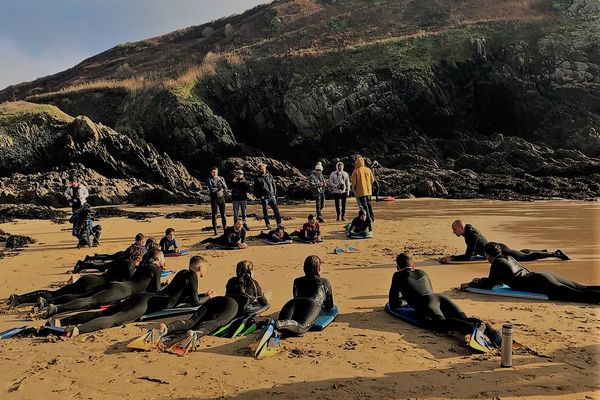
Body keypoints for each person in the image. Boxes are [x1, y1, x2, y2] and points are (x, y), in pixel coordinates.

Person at [58, 256, 213, 337]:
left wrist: (203, 294)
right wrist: (207, 297)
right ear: (199, 267)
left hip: (145, 296)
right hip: (147, 304)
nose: (206, 271)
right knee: (116, 318)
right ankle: (79, 330)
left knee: (106, 312)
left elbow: (181, 297)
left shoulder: (182, 273)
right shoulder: (193, 276)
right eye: (205, 268)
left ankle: (61, 321)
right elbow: (194, 302)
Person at [389, 253, 501, 346]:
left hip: (426, 302)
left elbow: (393, 302)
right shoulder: (423, 272)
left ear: (398, 268)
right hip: (439, 298)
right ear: (413, 266)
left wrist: (405, 301)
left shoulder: (398, 275)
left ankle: (473, 328)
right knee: (462, 318)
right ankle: (487, 328)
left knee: (440, 323)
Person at [38, 249, 165, 318]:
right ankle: (57, 308)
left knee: (87, 298)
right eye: (163, 258)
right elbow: (156, 292)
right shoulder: (156, 269)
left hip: (117, 286)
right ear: (158, 258)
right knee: (91, 301)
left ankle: (51, 303)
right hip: (122, 291)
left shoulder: (143, 266)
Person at [460, 243, 600, 304]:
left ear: (487, 255)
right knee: (583, 288)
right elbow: (499, 280)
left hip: (539, 283)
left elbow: (491, 284)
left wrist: (471, 283)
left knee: (578, 296)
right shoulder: (508, 258)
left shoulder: (497, 263)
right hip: (542, 275)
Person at [258, 255, 333, 346]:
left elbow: (295, 296)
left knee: (286, 327)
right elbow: (329, 305)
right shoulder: (324, 282)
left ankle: (277, 336)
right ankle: (274, 323)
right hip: (311, 304)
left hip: (292, 304)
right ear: (318, 268)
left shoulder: (297, 281)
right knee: (301, 328)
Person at [5, 259, 136, 308]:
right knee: (59, 296)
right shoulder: (130, 268)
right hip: (94, 286)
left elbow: (101, 266)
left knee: (55, 292)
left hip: (91, 278)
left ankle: (20, 298)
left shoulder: (122, 261)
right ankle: (31, 301)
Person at [439, 220, 570, 263]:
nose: (453, 232)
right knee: (521, 253)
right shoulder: (467, 230)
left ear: (461, 228)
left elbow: (468, 256)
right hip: (497, 247)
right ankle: (542, 251)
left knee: (526, 258)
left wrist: (451, 257)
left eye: (454, 229)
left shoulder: (471, 235)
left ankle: (555, 254)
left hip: (500, 251)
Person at [73, 233, 145, 273]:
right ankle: (82, 263)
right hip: (120, 259)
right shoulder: (137, 248)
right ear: (138, 241)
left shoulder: (135, 246)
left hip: (121, 258)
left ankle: (89, 260)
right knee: (102, 266)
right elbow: (129, 256)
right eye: (142, 241)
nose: (143, 243)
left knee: (105, 262)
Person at [254, 162, 282, 229]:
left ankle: (279, 224)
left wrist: (274, 194)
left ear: (265, 168)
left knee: (276, 210)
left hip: (272, 197)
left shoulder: (270, 175)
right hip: (264, 198)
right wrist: (260, 196)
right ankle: (268, 225)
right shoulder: (257, 178)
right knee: (265, 212)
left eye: (263, 169)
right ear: (259, 170)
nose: (262, 170)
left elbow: (273, 185)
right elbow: (255, 189)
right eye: (260, 169)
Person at [351, 156, 375, 221]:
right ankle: (372, 216)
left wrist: (354, 190)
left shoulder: (355, 171)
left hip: (361, 191)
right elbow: (372, 180)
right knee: (369, 204)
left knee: (364, 205)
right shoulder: (368, 170)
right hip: (368, 190)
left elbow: (353, 183)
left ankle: (368, 217)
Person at [207, 167, 228, 235]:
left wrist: (220, 181)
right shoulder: (209, 179)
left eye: (215, 172)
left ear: (217, 172)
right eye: (213, 172)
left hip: (221, 198)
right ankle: (215, 231)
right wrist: (219, 188)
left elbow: (225, 187)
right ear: (211, 172)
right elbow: (211, 189)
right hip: (214, 199)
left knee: (223, 215)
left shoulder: (221, 178)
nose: (214, 173)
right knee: (214, 215)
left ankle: (225, 230)